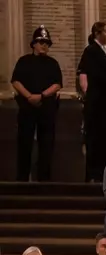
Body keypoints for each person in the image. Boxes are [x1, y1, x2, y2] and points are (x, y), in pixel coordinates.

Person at [10, 27, 63, 183]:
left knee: (46, 145)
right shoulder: (24, 61)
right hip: (27, 108)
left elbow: (57, 84)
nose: (44, 46)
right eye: (40, 42)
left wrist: (41, 95)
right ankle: (22, 179)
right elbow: (15, 81)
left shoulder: (52, 63)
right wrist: (29, 96)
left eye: (46, 43)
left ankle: (44, 180)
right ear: (33, 44)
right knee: (24, 143)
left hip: (47, 109)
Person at [79, 22, 106, 183]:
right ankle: (94, 174)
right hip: (97, 105)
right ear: (97, 33)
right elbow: (96, 74)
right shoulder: (91, 51)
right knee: (96, 140)